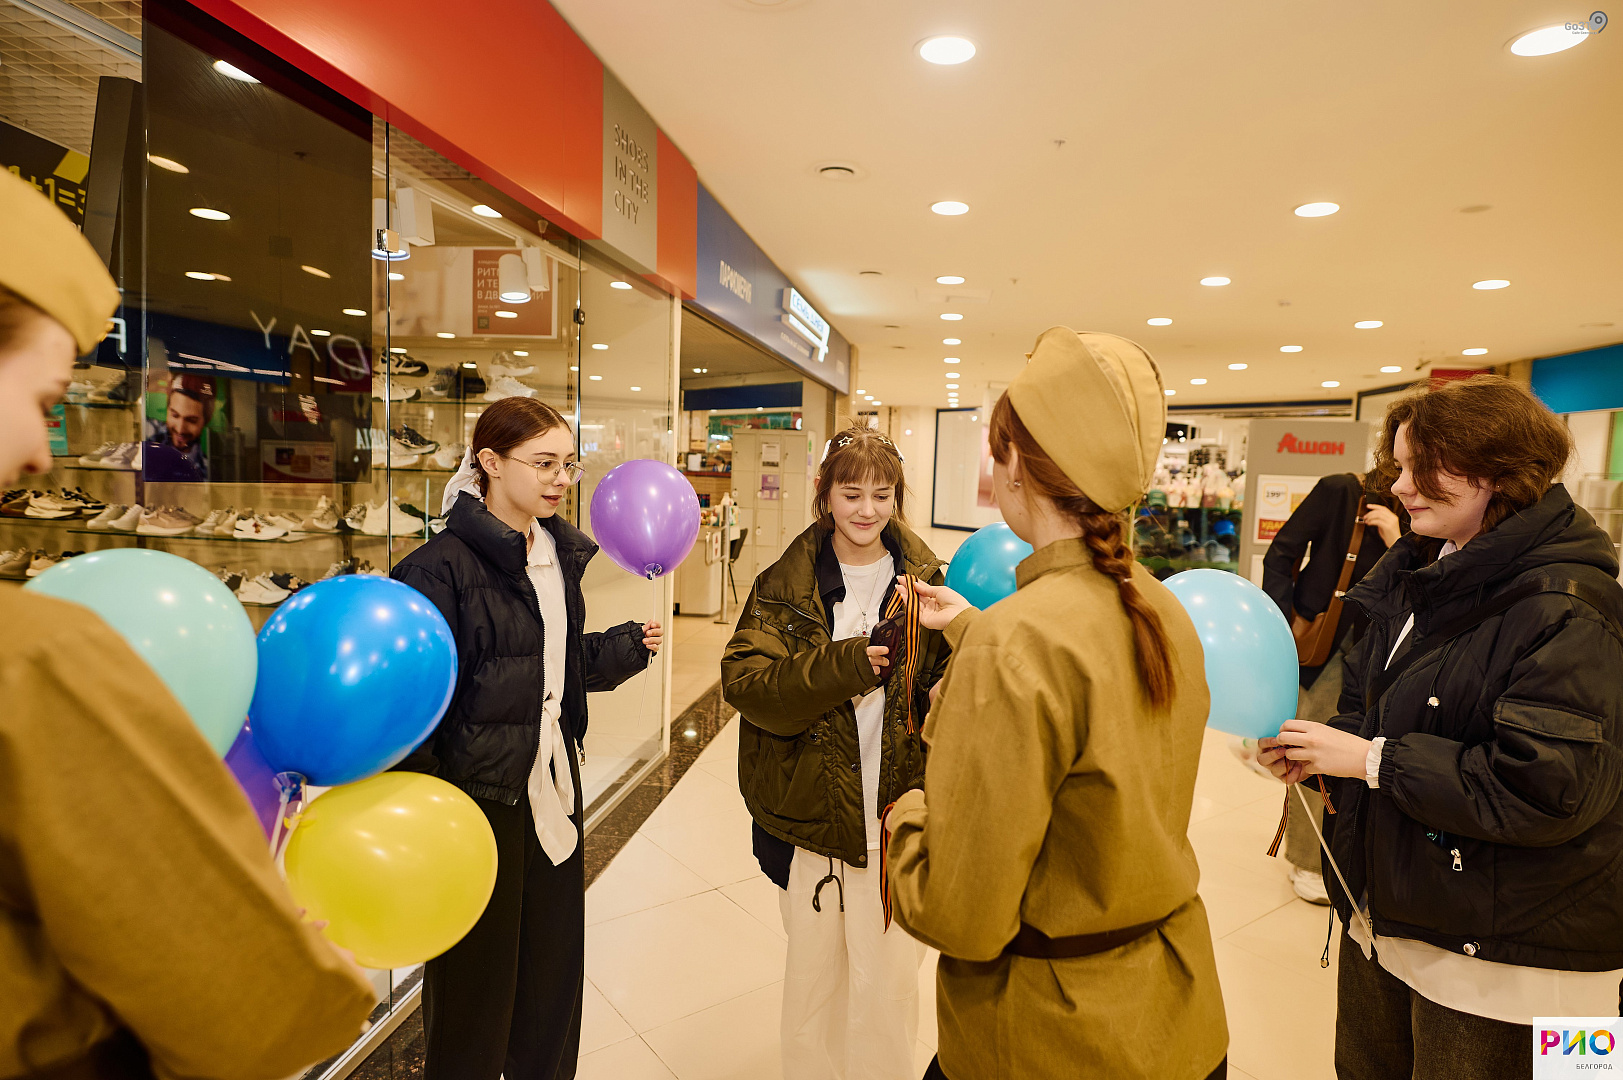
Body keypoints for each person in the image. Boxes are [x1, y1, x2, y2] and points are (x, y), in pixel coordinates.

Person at [0, 164, 376, 1079]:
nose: (41, 454)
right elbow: (249, 1010)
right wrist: (309, 967)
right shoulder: (35, 658)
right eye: (43, 403)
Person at [885, 327, 1228, 1080]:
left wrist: (906, 815)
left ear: (1015, 467)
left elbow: (959, 916)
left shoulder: (1016, 643)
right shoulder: (1161, 608)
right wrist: (976, 636)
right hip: (1178, 1018)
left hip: (1047, 1036)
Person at [1259, 375, 1623, 1079]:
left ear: (1499, 471)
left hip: (1520, 963)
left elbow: (1548, 789)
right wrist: (1327, 752)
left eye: (1420, 468)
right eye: (1398, 466)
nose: (1399, 486)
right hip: (1396, 920)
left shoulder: (1572, 608)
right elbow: (1373, 701)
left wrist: (1370, 759)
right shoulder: (1421, 573)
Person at [390, 396, 662, 1080]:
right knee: (475, 989)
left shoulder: (555, 555)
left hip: (551, 786)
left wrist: (624, 648)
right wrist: (428, 816)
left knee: (551, 976)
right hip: (476, 801)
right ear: (489, 462)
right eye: (543, 463)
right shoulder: (435, 570)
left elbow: (545, 669)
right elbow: (412, 708)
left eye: (568, 464)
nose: (560, 479)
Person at [721, 426, 950, 1080]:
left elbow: (953, 689)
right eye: (852, 494)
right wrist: (847, 664)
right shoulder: (783, 585)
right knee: (813, 986)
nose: (867, 510)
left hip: (896, 816)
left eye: (882, 494)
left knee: (889, 989)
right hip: (810, 819)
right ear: (824, 493)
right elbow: (747, 685)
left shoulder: (929, 582)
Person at [1257, 472, 1403, 903]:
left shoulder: (1422, 512)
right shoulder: (1343, 491)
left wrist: (1398, 541)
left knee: (1361, 757)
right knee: (1313, 750)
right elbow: (1281, 551)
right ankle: (1307, 860)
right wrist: (1283, 621)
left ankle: (1345, 855)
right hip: (1330, 644)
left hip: (1384, 648)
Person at [143, 373, 215, 481]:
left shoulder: (208, 471)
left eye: (191, 420)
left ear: (206, 420)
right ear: (167, 410)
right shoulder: (148, 431)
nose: (180, 429)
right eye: (175, 415)